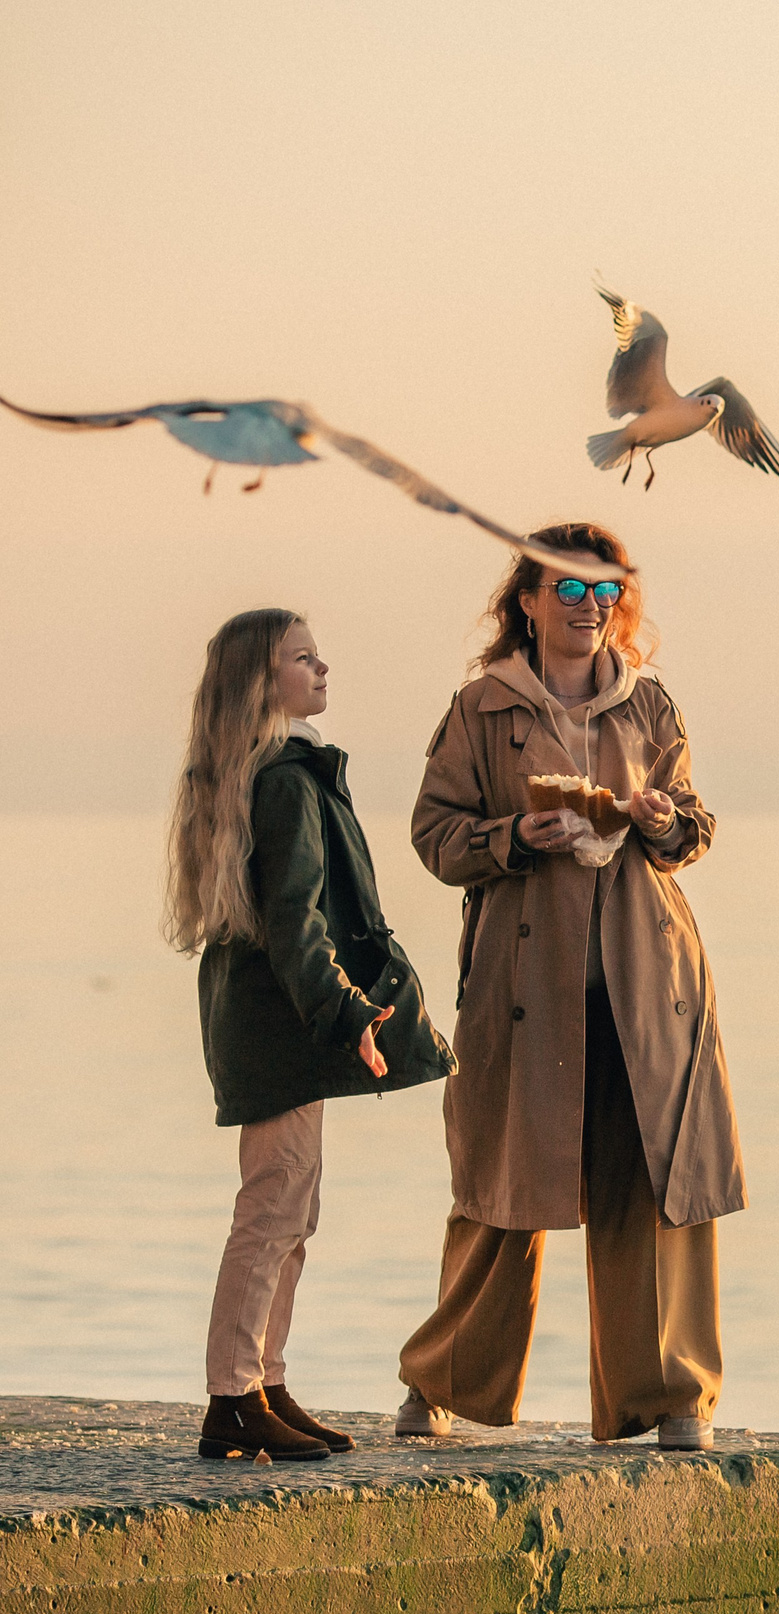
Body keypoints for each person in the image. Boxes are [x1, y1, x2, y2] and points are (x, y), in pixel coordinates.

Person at [397, 522, 742, 1449]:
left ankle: (671, 1399)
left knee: (656, 1188)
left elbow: (695, 829)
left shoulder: (650, 707)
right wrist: (512, 839)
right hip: (524, 981)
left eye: (604, 591)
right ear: (529, 601)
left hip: (645, 985)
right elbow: (436, 834)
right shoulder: (483, 708)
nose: (589, 607)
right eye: (569, 589)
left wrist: (666, 822)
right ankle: (441, 1384)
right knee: (503, 1184)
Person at [171, 609, 455, 1462]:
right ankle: (233, 1395)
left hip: (267, 1024)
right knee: (273, 1209)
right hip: (285, 1028)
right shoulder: (287, 780)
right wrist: (347, 1014)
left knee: (295, 1207)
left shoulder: (253, 773)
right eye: (302, 658)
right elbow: (300, 922)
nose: (322, 667)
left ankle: (264, 1377)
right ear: (264, 683)